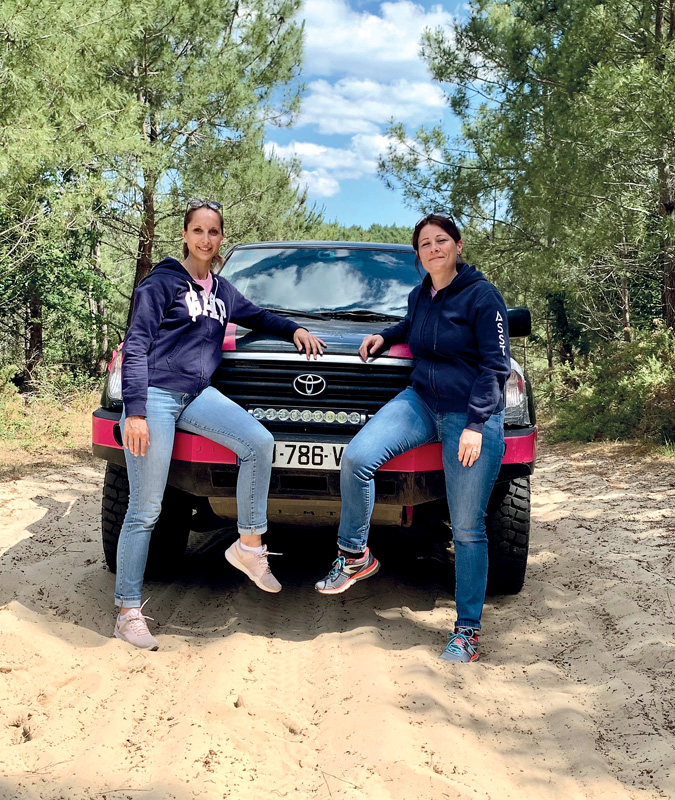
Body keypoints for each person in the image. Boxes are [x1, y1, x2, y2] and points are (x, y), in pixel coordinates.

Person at [114, 198, 325, 650]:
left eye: (213, 232)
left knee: (258, 441)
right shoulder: (163, 283)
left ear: (220, 239)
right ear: (185, 235)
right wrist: (134, 411)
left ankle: (249, 546)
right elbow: (135, 345)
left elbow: (258, 315)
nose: (205, 239)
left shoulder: (221, 290)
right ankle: (128, 611)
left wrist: (294, 331)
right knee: (146, 509)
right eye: (198, 231)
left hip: (197, 395)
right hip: (155, 396)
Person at [315, 213, 510, 663]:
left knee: (466, 527)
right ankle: (354, 555)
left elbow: (496, 367)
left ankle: (467, 631)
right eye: (425, 244)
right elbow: (412, 327)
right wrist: (384, 336)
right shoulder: (419, 295)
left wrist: (476, 426)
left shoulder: (483, 297)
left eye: (442, 241)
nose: (434, 249)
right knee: (358, 457)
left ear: (458, 246)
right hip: (420, 401)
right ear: (418, 255)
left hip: (469, 415)